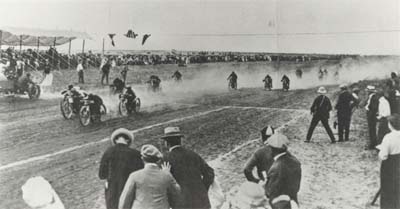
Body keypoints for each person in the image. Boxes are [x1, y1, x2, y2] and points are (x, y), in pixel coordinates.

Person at [161, 127, 215, 209]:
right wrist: (203, 188)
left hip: (181, 203)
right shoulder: (193, 154)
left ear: (166, 143)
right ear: (180, 140)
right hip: (201, 200)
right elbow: (209, 172)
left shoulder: (166, 159)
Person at [119, 144, 182, 209]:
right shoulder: (166, 175)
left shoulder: (134, 176)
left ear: (142, 158)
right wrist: (168, 173)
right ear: (158, 160)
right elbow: (177, 192)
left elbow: (124, 200)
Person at [99, 128, 144, 209]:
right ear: (127, 140)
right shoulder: (135, 154)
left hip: (113, 193)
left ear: (115, 140)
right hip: (129, 192)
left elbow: (101, 175)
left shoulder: (108, 152)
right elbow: (141, 176)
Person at [265, 134, 301, 209]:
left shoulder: (276, 168)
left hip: (280, 205)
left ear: (273, 150)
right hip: (293, 201)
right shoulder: (295, 161)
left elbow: (270, 192)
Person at [376, 114, 400, 209]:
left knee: (387, 188)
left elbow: (383, 156)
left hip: (390, 165)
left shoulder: (388, 137)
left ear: (391, 125)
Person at [365, 85, 380, 150]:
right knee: (371, 129)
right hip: (370, 115)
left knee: (372, 130)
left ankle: (373, 144)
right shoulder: (371, 97)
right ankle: (373, 143)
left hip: (372, 116)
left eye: (368, 90)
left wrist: (370, 113)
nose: (367, 91)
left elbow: (374, 108)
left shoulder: (373, 98)